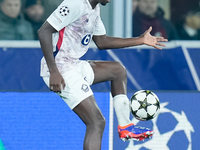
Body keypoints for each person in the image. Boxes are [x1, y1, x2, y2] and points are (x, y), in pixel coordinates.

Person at [38, 0, 167, 149]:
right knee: (96, 122)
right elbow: (44, 31)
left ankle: (125, 127)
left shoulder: (94, 9)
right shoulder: (75, 4)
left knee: (117, 70)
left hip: (73, 64)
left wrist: (140, 40)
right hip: (59, 68)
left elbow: (102, 41)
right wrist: (53, 70)